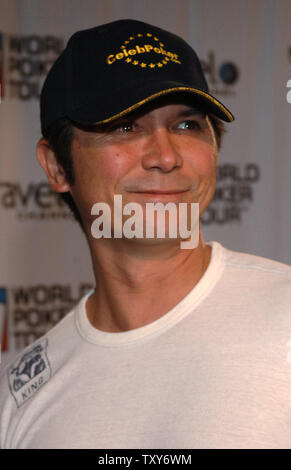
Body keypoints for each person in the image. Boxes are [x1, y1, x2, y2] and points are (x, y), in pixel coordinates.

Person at [0, 19, 290, 450]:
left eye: (187, 125)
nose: (165, 156)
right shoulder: (20, 397)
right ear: (56, 166)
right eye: (125, 126)